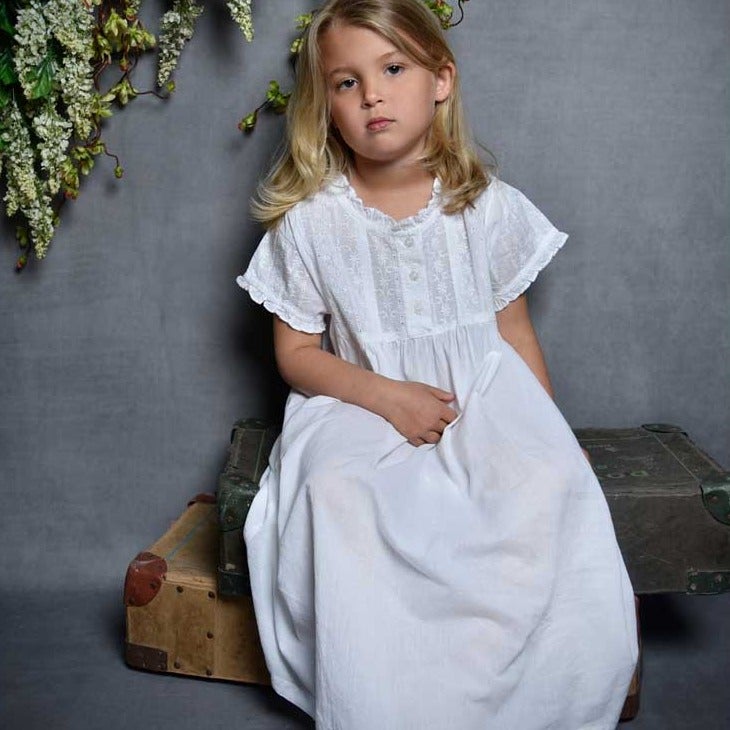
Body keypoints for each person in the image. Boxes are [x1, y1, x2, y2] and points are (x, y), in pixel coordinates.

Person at [235, 0, 639, 727]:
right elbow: (295, 357)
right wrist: (389, 397)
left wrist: (549, 429)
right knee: (336, 490)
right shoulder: (310, 224)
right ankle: (383, 697)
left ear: (441, 80)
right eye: (347, 82)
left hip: (479, 397)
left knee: (540, 481)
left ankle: (518, 690)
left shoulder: (485, 206)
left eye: (393, 69)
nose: (373, 95)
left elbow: (514, 334)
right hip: (360, 401)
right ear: (325, 104)